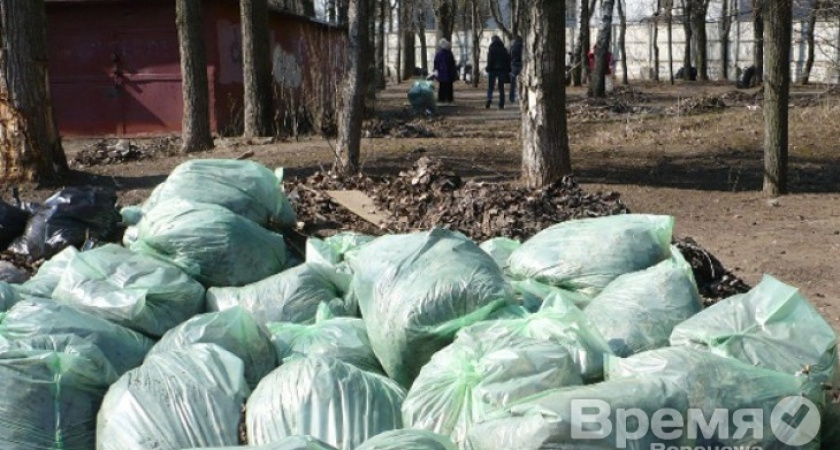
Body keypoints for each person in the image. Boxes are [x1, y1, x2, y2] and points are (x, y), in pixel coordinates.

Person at [485, 35, 511, 109]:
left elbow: (490, 60)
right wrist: (508, 69)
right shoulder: (503, 49)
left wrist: (488, 68)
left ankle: (489, 99)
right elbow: (507, 60)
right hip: (502, 69)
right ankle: (501, 104)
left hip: (492, 70)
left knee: (490, 86)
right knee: (501, 87)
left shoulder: (491, 49)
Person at [433, 39, 458, 105]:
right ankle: (449, 99)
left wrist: (436, 70)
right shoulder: (449, 54)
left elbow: (436, 63)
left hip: (442, 73)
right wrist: (454, 72)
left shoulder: (439, 54)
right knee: (449, 87)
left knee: (442, 87)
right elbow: (453, 64)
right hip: (449, 73)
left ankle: (442, 99)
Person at [508, 36, 523, 103]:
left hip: (513, 65)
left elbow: (509, 56)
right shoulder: (523, 46)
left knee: (512, 83)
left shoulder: (512, 46)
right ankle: (521, 97)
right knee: (522, 82)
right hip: (521, 65)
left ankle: (512, 97)